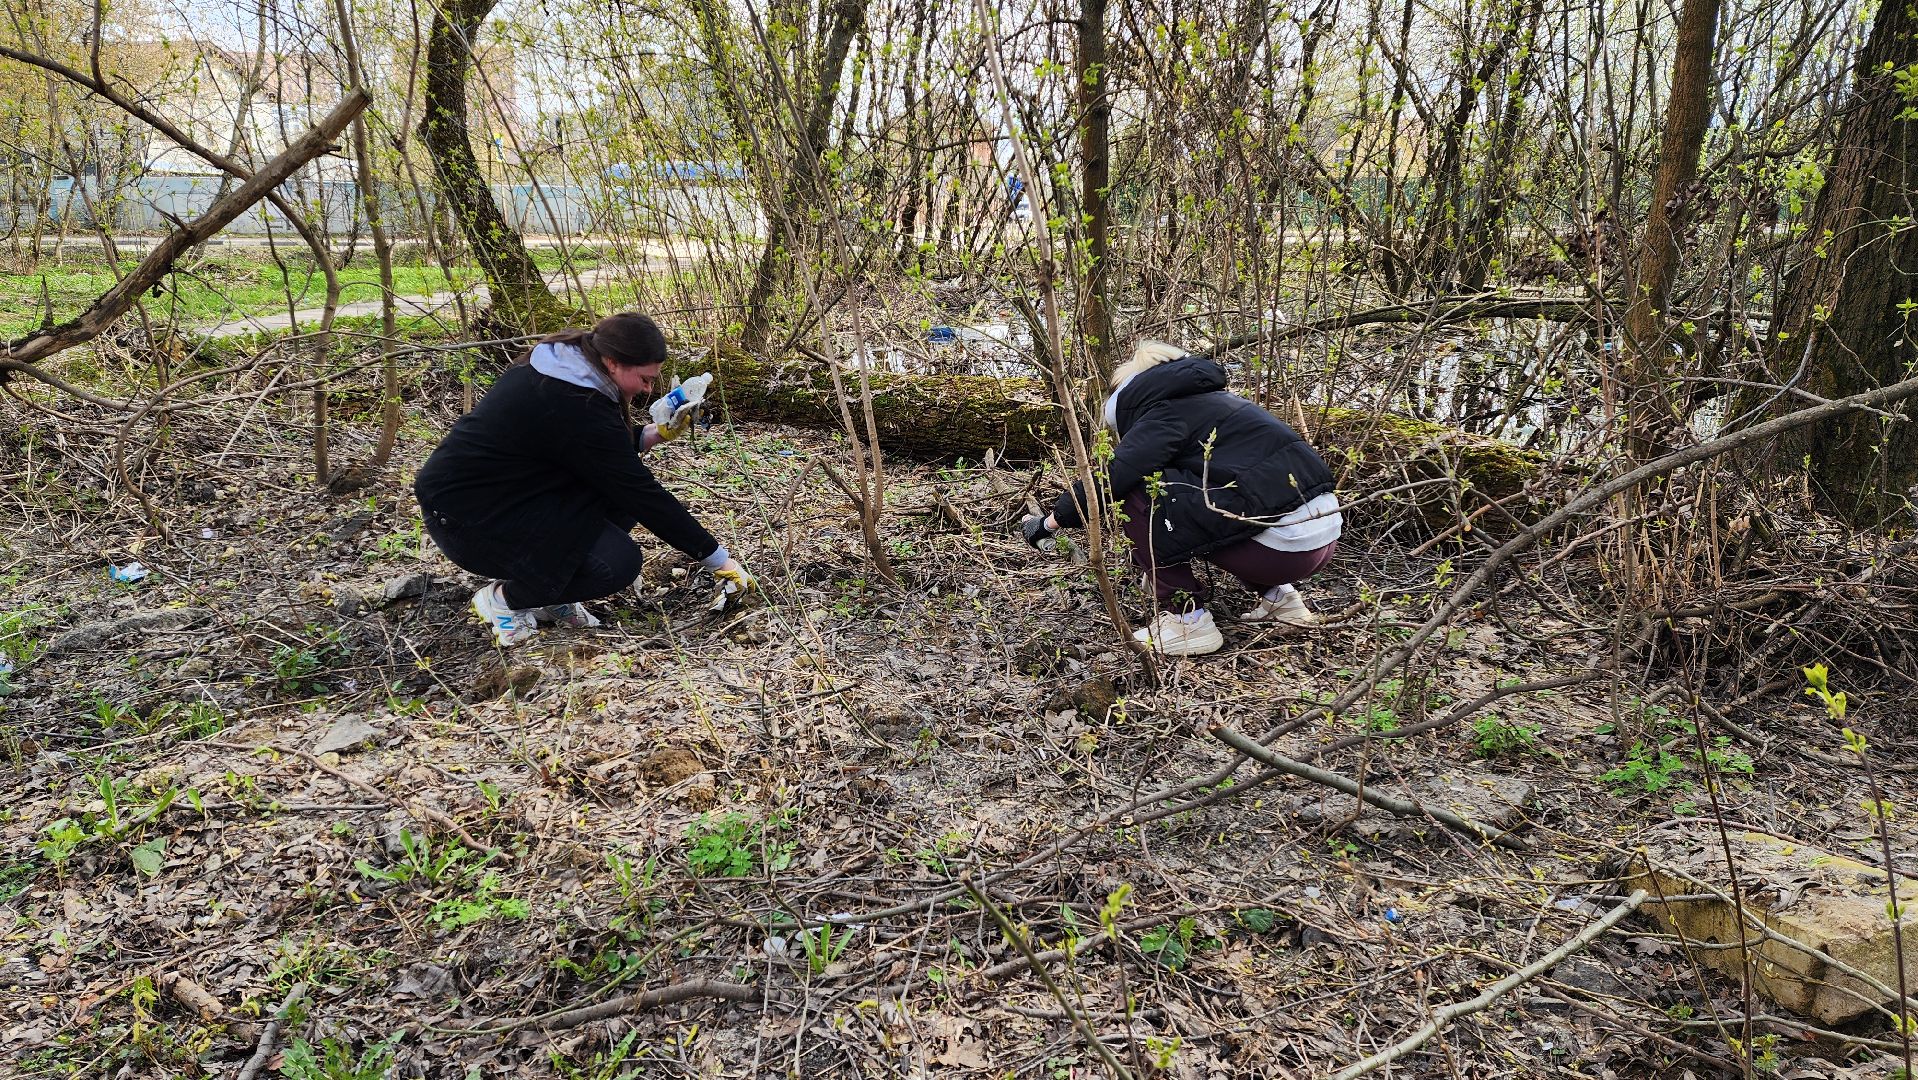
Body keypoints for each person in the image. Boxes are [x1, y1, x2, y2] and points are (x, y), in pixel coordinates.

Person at [413, 312, 751, 647]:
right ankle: (506, 598)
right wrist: (718, 560)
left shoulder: (570, 367)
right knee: (617, 564)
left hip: (512, 492)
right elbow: (638, 489)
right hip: (466, 517)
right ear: (613, 361)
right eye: (645, 379)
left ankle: (549, 596)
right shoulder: (570, 397)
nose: (648, 389)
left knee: (616, 503)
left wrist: (653, 433)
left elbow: (586, 448)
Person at [1021, 341, 1341, 656]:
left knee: (1141, 489)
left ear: (1131, 392)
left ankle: (1188, 622)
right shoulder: (1222, 403)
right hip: (1322, 538)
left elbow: (1111, 479)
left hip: (1279, 551)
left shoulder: (1166, 413)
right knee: (1230, 496)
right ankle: (1280, 599)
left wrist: (1050, 522)